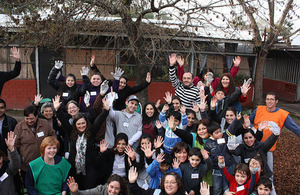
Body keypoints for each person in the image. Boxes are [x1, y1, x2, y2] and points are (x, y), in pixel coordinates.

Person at [53, 96, 110, 190]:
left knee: (89, 190)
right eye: (78, 124)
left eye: (83, 123)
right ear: (75, 125)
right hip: (74, 169)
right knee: (76, 190)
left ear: (86, 123)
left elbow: (98, 121)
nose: (81, 126)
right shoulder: (72, 133)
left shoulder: (91, 133)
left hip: (89, 169)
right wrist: (57, 109)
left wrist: (106, 110)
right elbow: (63, 120)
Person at [249, 92, 300, 194]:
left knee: (268, 174)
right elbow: (249, 121)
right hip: (252, 145)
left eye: (272, 99)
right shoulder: (259, 109)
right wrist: (253, 129)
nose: (269, 101)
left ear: (276, 101)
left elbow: (295, 128)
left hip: (268, 149)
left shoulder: (282, 114)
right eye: (267, 99)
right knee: (250, 171)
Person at [14, 105, 56, 176]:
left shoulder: (44, 123)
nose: (29, 121)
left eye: (31, 118)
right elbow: (15, 145)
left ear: (36, 116)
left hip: (44, 162)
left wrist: (52, 146)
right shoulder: (19, 127)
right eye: (27, 119)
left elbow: (53, 134)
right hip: (26, 165)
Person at [176, 55, 241, 90]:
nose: (208, 77)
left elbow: (228, 78)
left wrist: (235, 66)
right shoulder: (196, 80)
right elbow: (184, 79)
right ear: (203, 75)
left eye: (210, 75)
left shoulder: (216, 81)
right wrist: (181, 66)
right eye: (206, 75)